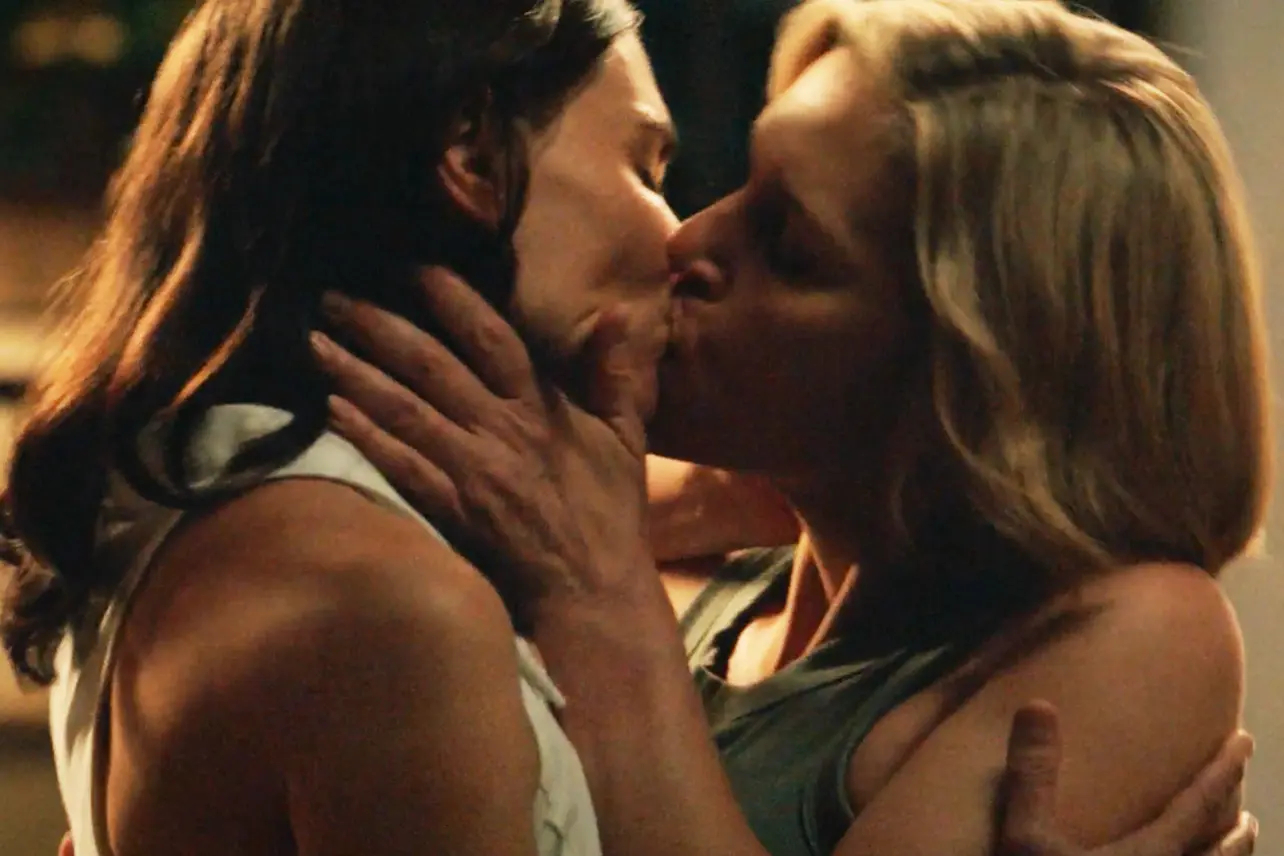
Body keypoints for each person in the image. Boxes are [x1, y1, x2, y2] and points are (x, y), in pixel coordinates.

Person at [310, 1, 1270, 855]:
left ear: (976, 374)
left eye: (787, 246)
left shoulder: (1142, 631)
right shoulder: (722, 548)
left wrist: (594, 591)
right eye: (743, 183)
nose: (688, 240)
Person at [1, 0, 677, 853]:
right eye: (645, 169)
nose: (674, 235)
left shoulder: (182, 495)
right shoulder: (393, 607)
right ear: (471, 152)